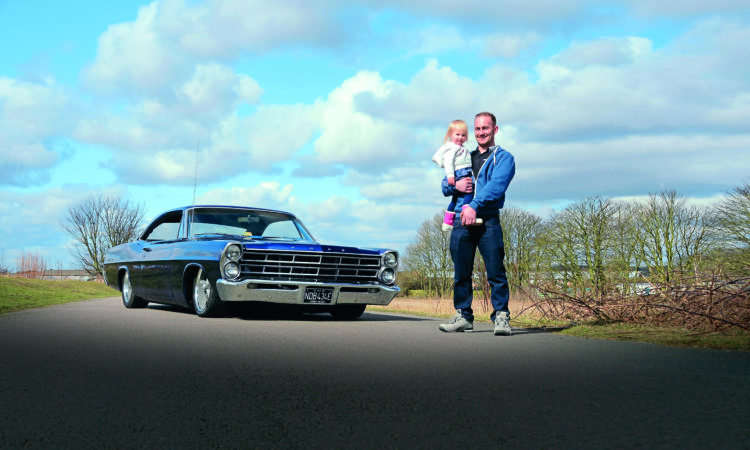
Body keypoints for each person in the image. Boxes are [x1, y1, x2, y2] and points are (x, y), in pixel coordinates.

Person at [438, 112, 516, 336]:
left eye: (485, 128)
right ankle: (463, 316)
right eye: (478, 129)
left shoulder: (503, 158)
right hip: (462, 223)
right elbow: (445, 185)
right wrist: (456, 187)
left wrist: (474, 205)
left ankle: (501, 316)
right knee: (461, 272)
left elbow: (497, 186)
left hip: (488, 222)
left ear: (495, 130)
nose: (481, 133)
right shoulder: (464, 155)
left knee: (496, 272)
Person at [430, 120, 478, 231]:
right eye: (457, 135)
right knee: (469, 190)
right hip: (460, 173)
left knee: (455, 199)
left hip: (459, 172)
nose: (460, 137)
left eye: (463, 135)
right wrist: (451, 175)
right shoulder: (452, 148)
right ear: (450, 135)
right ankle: (466, 212)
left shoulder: (460, 148)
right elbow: (448, 161)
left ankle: (448, 221)